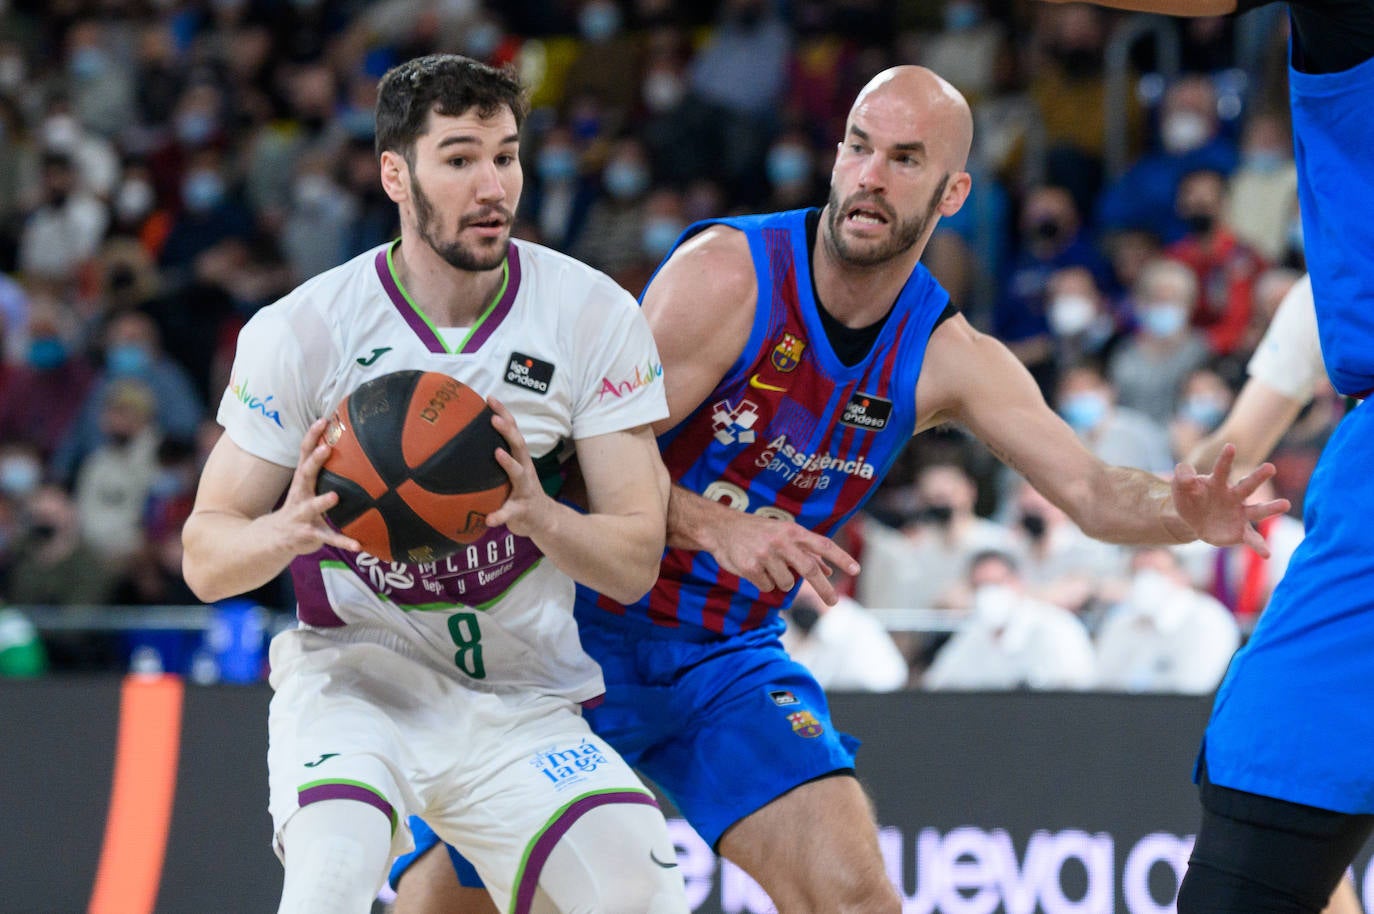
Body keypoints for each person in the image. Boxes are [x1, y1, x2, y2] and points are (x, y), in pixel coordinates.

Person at [393, 65, 1288, 914]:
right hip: (569, 633)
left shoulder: (949, 355)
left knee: (856, 897)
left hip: (721, 655)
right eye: (859, 146)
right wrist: (711, 526)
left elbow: (1091, 490)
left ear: (952, 194)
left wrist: (1183, 512)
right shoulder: (727, 276)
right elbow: (569, 463)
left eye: (906, 161)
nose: (870, 177)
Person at [180, 55, 688, 914]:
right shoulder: (305, 329)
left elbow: (635, 559)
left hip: (521, 700)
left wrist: (540, 515)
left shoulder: (593, 313)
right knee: (327, 886)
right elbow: (204, 555)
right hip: (356, 682)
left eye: (507, 155)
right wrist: (288, 529)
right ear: (395, 174)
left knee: (643, 894)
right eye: (459, 158)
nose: (494, 185)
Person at [1050, 1, 1374, 912]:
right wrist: (1175, 502)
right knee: (1282, 771)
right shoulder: (1319, 301)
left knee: (1280, 769)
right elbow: (1229, 453)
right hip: (1350, 519)